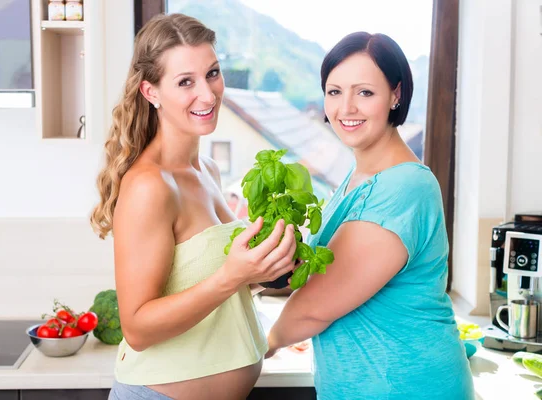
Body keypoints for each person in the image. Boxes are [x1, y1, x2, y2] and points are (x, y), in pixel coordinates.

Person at [89, 13, 296, 400]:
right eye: (185, 82)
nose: (208, 93)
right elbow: (137, 327)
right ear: (151, 92)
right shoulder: (150, 185)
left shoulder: (208, 169)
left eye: (212, 73)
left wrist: (264, 269)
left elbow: (203, 277)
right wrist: (233, 276)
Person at [265, 32, 475, 400]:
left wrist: (254, 346)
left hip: (408, 386)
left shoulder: (404, 187)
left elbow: (313, 308)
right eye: (334, 91)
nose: (346, 108)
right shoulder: (358, 175)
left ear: (395, 95)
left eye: (365, 92)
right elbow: (325, 273)